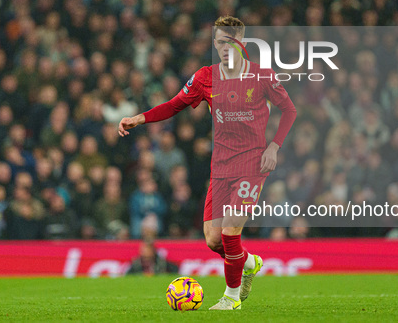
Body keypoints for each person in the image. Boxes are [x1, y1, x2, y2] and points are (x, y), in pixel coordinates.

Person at [119, 16, 296, 310]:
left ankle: (231, 299)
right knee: (215, 240)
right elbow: (175, 104)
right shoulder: (205, 77)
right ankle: (249, 262)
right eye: (219, 42)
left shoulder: (262, 75)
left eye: (230, 41)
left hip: (252, 163)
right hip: (221, 166)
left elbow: (289, 110)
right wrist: (140, 118)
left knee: (230, 231)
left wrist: (274, 147)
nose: (224, 47)